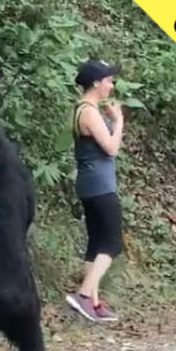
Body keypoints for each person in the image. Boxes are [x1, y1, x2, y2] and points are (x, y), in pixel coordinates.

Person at [65, 59, 124, 323]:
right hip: (100, 186)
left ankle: (94, 303)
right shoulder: (88, 111)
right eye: (109, 80)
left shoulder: (81, 109)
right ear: (97, 83)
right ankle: (84, 295)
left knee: (96, 244)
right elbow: (111, 147)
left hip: (90, 184)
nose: (112, 85)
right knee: (112, 243)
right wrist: (119, 121)